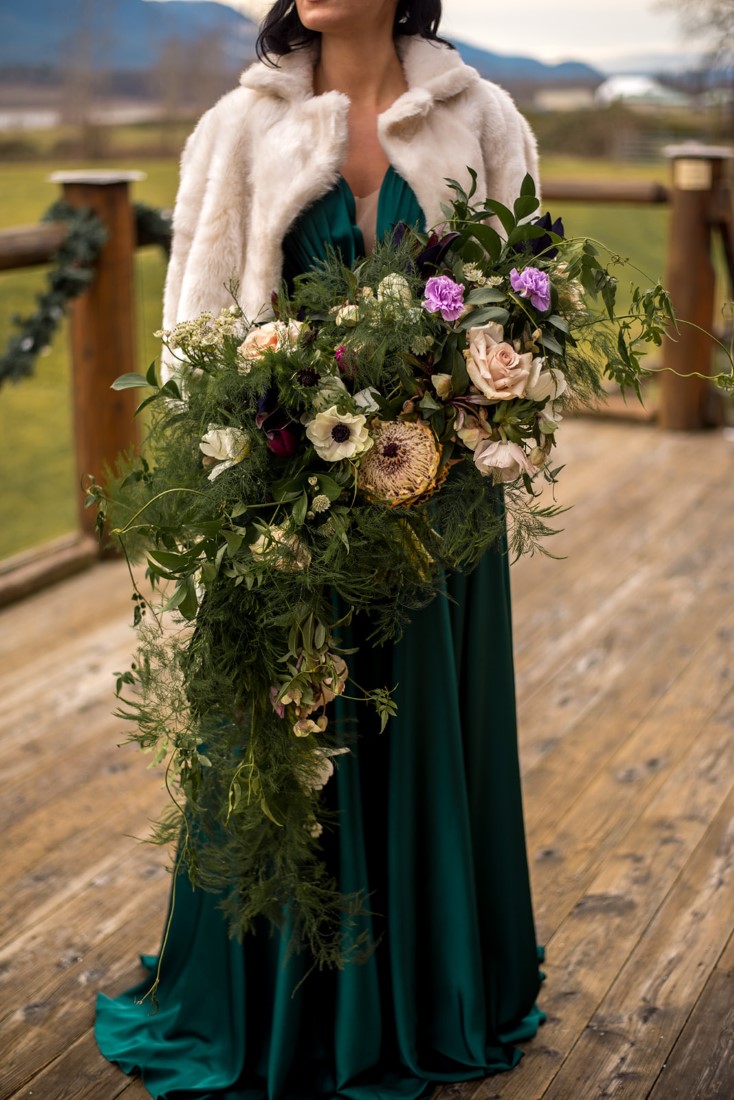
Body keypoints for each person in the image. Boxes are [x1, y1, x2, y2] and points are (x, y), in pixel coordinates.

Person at [95, 2, 546, 1097]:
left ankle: (429, 990)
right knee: (282, 739)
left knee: (424, 728)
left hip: (435, 511)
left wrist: (484, 415)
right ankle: (282, 1004)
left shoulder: (482, 117)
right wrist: (235, 474)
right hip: (285, 506)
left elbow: (530, 305)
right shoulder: (237, 129)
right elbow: (193, 336)